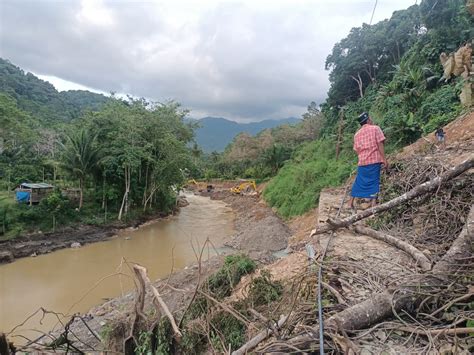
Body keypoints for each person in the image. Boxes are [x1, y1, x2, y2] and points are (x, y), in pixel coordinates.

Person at [348, 112, 387, 210]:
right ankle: (373, 204)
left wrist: (362, 158)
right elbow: (380, 144)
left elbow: (357, 150)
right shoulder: (375, 128)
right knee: (374, 181)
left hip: (362, 162)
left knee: (359, 181)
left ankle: (350, 203)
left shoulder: (357, 134)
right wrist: (384, 159)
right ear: (368, 120)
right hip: (374, 160)